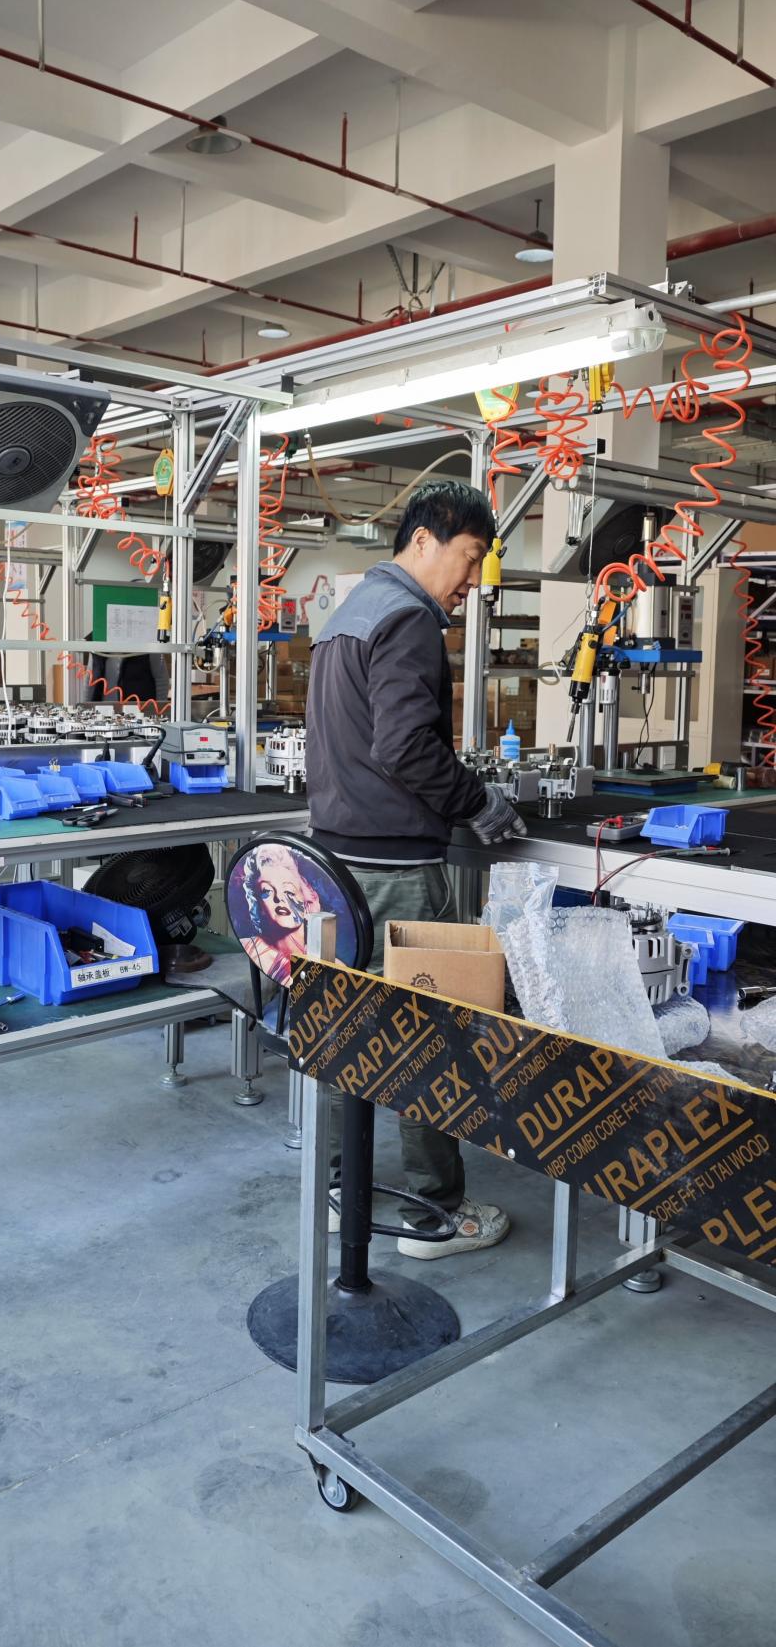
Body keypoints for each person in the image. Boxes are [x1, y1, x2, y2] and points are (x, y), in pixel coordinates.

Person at [306, 481, 526, 1259]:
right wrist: (478, 798)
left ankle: (344, 1191)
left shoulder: (349, 613)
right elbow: (403, 746)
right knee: (431, 1040)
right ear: (427, 538)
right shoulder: (408, 620)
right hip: (397, 867)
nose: (469, 582)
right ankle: (433, 1212)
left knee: (349, 1038)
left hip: (336, 863)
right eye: (468, 559)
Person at [237, 842, 321, 986]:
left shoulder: (331, 963)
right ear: (258, 904)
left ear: (308, 896)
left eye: (288, 890)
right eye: (267, 891)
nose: (279, 898)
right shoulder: (253, 950)